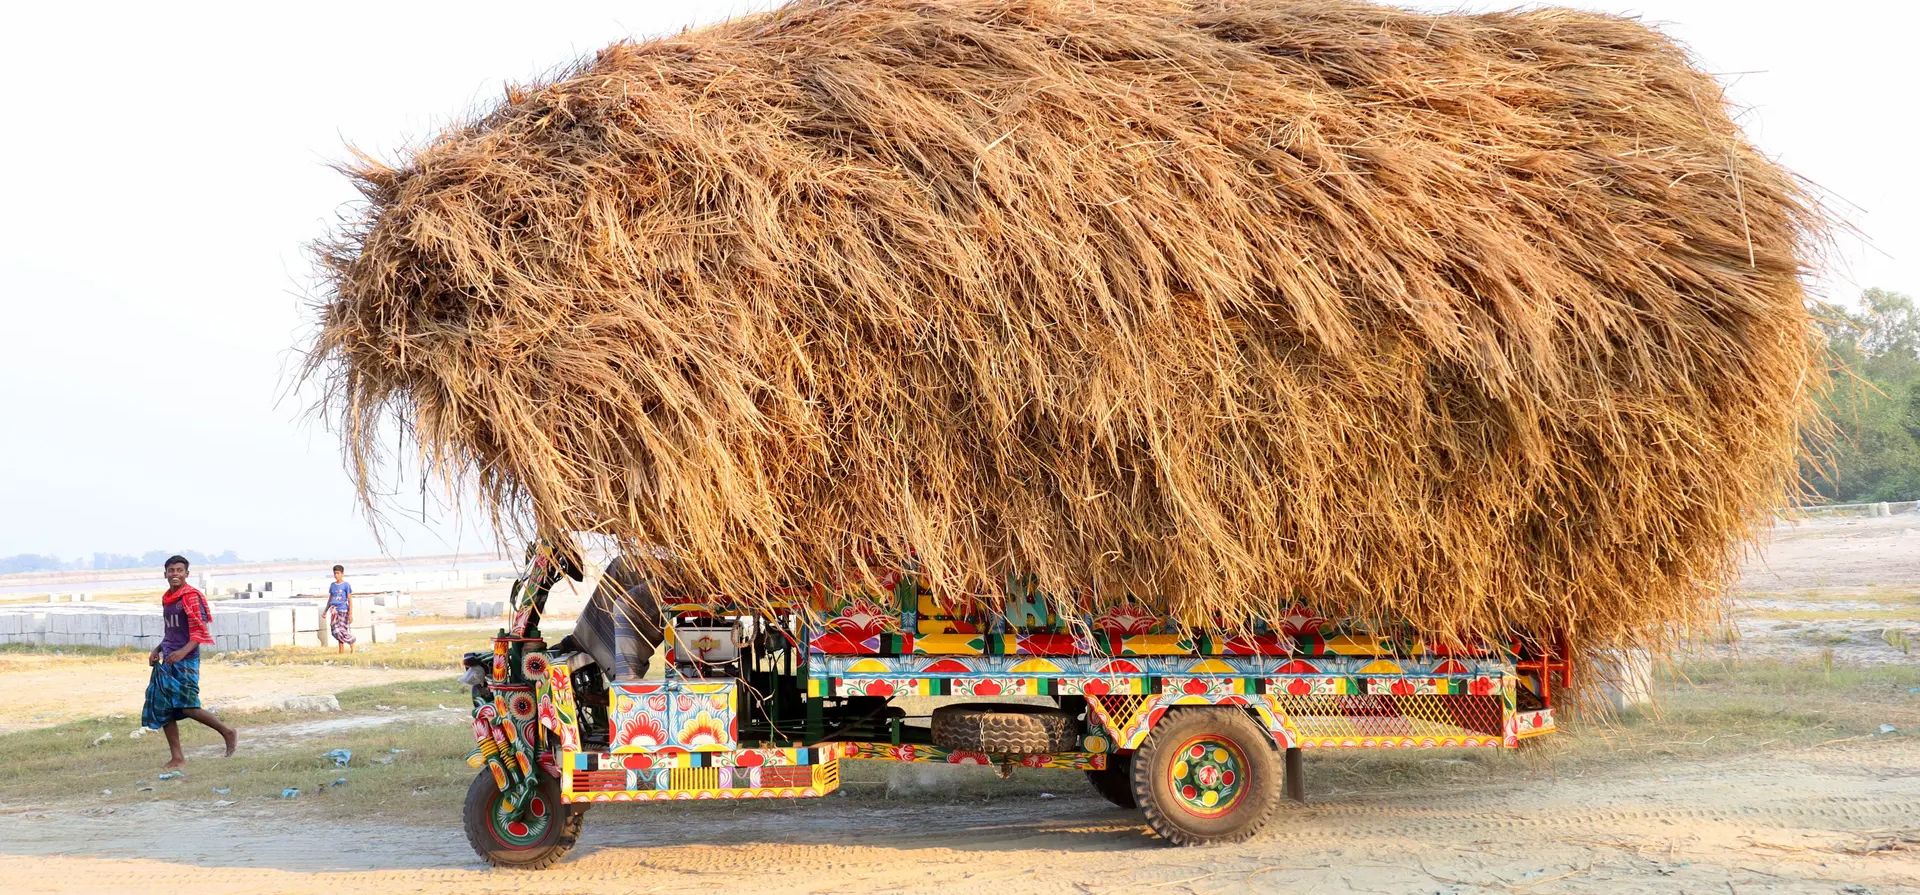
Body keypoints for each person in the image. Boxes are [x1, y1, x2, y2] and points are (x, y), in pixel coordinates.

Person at [144, 555, 237, 768]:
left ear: (187, 573)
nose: (175, 574)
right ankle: (177, 757)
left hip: (186, 660)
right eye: (171, 570)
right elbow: (171, 631)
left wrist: (182, 652)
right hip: (167, 658)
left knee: (188, 706)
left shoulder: (192, 596)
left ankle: (227, 732)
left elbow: (199, 632)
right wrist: (157, 649)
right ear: (165, 573)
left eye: (179, 570)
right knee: (164, 707)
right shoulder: (167, 598)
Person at [324, 564, 356, 653]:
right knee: (335, 631)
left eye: (338, 573)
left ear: (342, 574)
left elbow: (350, 600)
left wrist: (350, 614)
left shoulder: (346, 585)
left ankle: (351, 642)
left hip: (343, 611)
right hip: (334, 611)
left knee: (342, 630)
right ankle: (343, 648)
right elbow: (330, 599)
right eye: (335, 573)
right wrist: (325, 611)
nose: (336, 575)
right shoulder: (332, 585)